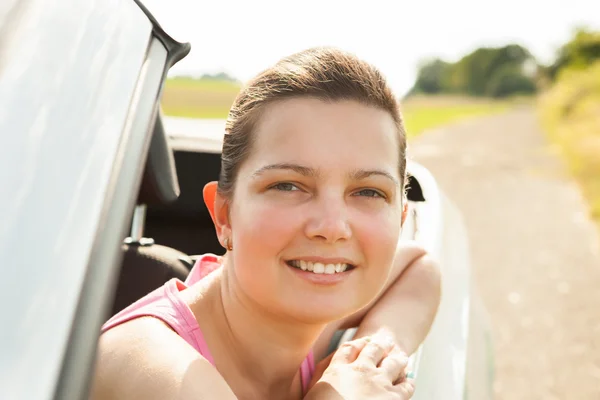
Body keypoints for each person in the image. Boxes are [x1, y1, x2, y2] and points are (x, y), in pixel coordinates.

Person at [90, 47, 441, 400]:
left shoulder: (296, 311)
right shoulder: (147, 363)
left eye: (367, 191)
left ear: (400, 219)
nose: (332, 226)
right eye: (287, 185)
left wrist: (368, 358)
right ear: (224, 215)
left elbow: (419, 266)